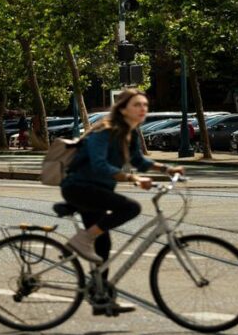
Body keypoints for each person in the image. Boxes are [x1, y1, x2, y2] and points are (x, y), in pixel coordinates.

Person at [60, 88, 184, 315]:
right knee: (131, 207)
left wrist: (166, 169)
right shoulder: (104, 131)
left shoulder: (130, 133)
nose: (143, 109)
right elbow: (99, 165)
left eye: (145, 105)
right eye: (137, 105)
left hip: (95, 191)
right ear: (123, 108)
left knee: (103, 245)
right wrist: (132, 178)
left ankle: (101, 298)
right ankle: (82, 239)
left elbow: (138, 160)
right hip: (80, 188)